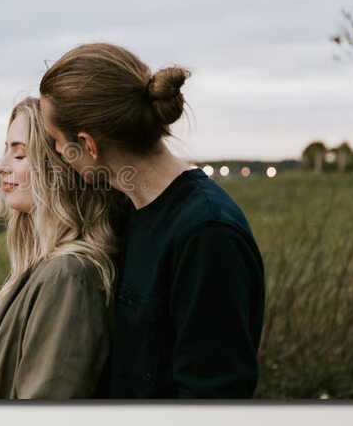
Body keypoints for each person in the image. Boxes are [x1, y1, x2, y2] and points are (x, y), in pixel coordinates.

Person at [37, 43, 263, 399]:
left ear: (87, 144)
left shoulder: (207, 234)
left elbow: (214, 400)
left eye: (57, 141)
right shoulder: (130, 212)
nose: (60, 156)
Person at [0, 97, 124, 400]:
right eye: (6, 151)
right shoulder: (45, 269)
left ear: (57, 168)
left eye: (19, 155)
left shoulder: (68, 277)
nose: (1, 166)